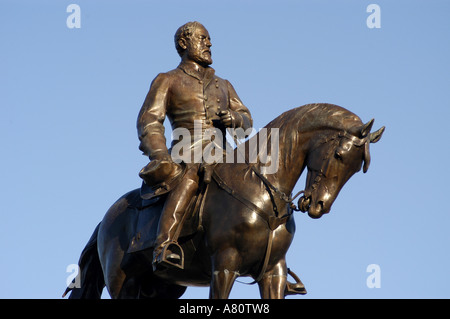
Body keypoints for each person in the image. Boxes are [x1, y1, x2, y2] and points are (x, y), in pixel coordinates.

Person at [137, 21, 253, 270]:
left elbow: (246, 121)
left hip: (224, 156)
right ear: (183, 43)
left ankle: (269, 256)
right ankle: (164, 245)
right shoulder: (168, 79)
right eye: (202, 38)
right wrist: (159, 154)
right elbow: (149, 121)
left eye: (209, 39)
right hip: (186, 153)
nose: (209, 43)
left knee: (256, 184)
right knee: (191, 179)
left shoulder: (224, 84)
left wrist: (235, 119)